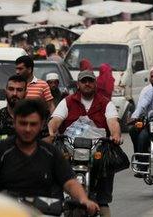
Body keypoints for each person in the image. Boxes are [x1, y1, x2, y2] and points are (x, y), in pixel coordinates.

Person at [0, 99, 98, 215]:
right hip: (6, 210)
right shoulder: (0, 148)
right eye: (23, 123)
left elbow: (69, 181)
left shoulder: (51, 152)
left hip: (43, 211)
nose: (27, 129)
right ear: (14, 123)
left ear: (42, 125)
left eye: (33, 124)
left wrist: (84, 199)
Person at [49, 69, 122, 212]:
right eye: (84, 81)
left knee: (106, 167)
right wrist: (51, 132)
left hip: (98, 149)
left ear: (95, 83)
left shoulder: (106, 103)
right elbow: (55, 119)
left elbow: (113, 122)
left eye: (90, 81)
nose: (87, 84)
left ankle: (103, 201)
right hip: (70, 148)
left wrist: (115, 135)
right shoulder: (67, 101)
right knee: (55, 163)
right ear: (78, 84)